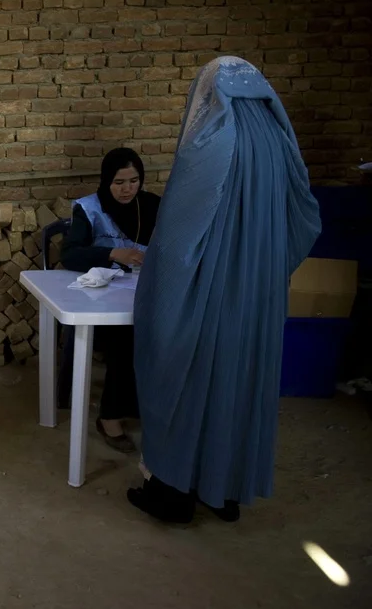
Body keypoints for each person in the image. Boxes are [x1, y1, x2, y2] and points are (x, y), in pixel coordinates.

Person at [130, 56, 321, 524]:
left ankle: (172, 494)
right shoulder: (278, 139)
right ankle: (223, 492)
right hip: (258, 294)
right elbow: (305, 218)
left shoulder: (213, 139)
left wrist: (163, 281)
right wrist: (262, 270)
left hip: (209, 291)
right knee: (239, 383)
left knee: (188, 377)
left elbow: (177, 235)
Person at [60, 147, 161, 453]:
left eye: (133, 180)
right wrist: (112, 253)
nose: (127, 188)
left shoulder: (153, 205)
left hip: (143, 292)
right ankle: (110, 416)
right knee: (124, 336)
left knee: (164, 331)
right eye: (119, 182)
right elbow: (69, 253)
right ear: (107, 181)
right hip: (100, 300)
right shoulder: (89, 208)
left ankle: (146, 407)